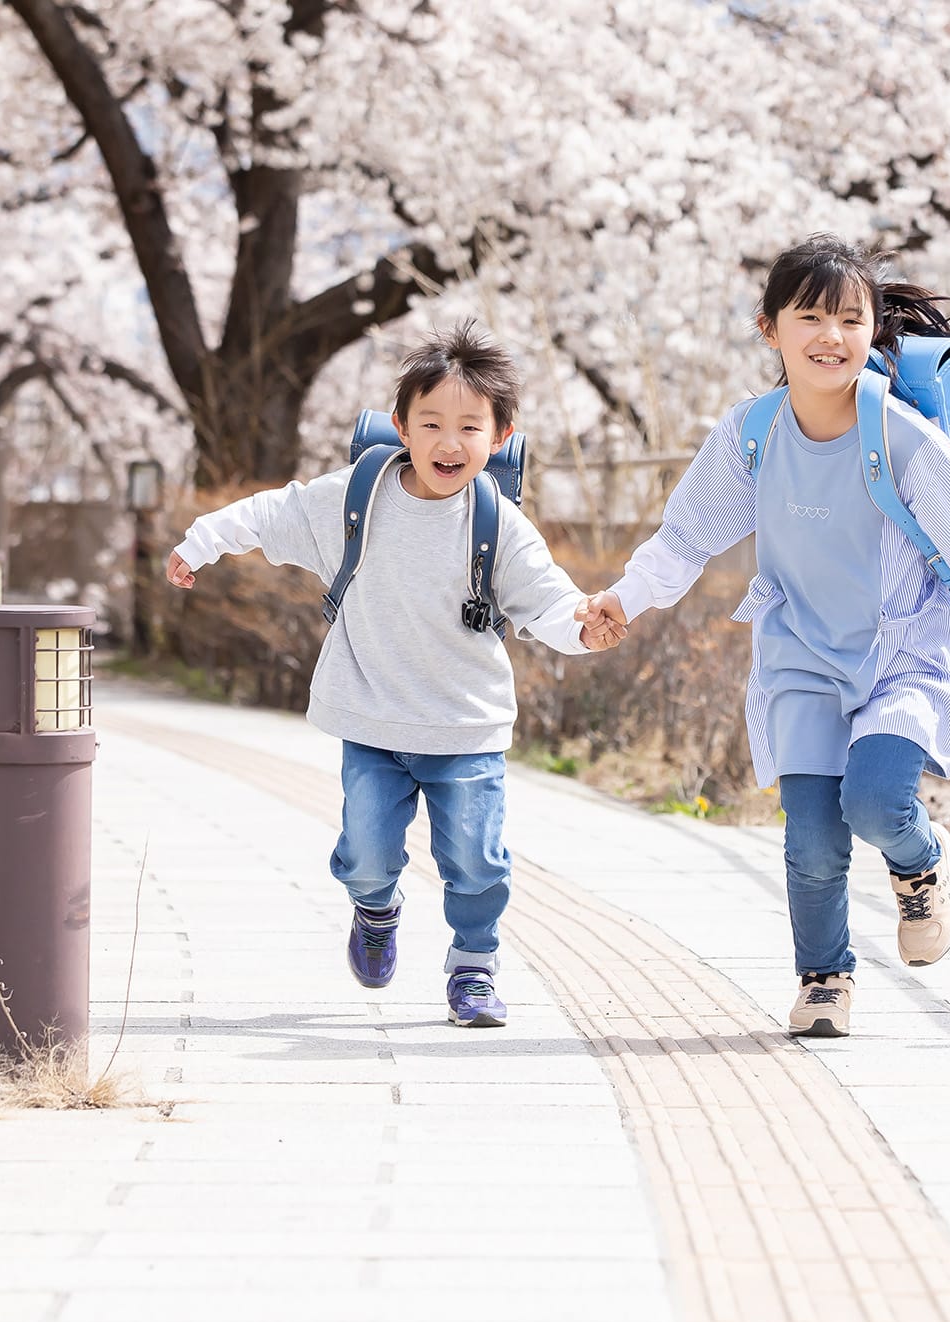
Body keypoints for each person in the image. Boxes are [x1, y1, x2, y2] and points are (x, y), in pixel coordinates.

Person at [577, 235, 950, 1038]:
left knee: (874, 801)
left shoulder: (897, 434)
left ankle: (920, 862)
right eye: (810, 318)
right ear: (770, 330)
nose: (831, 336)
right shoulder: (751, 435)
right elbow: (686, 537)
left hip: (903, 656)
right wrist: (623, 598)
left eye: (850, 318)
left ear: (871, 329)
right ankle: (825, 978)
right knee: (812, 843)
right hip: (801, 659)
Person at [168, 322, 624, 1027]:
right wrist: (202, 544)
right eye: (431, 423)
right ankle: (374, 909)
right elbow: (270, 512)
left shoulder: (498, 523)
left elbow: (550, 603)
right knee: (369, 855)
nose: (449, 442)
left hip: (465, 725)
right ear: (401, 427)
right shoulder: (356, 497)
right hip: (371, 719)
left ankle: (473, 968)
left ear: (499, 437)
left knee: (476, 859)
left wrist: (585, 626)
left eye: (469, 427)